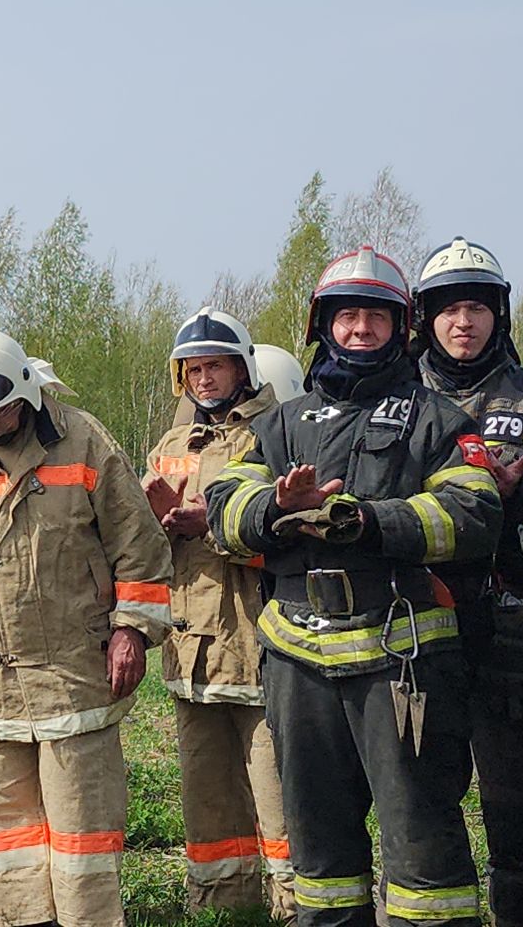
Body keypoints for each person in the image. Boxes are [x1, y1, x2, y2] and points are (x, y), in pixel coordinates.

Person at [207, 246, 502, 927]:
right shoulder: (278, 425)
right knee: (316, 845)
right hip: (298, 662)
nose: (360, 330)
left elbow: (474, 515)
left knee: (421, 839)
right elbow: (225, 508)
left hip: (403, 663)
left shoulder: (439, 421)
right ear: (323, 327)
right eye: (346, 317)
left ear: (402, 329)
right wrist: (276, 511)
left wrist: (365, 521)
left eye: (375, 316)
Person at [0, 323, 171, 927]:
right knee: (5, 844)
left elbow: (140, 548)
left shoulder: (83, 441)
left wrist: (132, 630)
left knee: (81, 840)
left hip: (74, 677)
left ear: (25, 395)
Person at [411, 237, 523, 926]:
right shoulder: (397, 398)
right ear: (425, 318)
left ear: (500, 315)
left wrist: (514, 497)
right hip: (421, 641)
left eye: (479, 307)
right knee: (423, 816)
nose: (465, 322)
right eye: (450, 308)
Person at [141, 308, 296, 917]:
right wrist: (155, 523)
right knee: (205, 799)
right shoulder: (171, 444)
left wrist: (214, 526)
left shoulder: (275, 434)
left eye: (216, 366)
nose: (204, 379)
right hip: (191, 652)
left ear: (243, 367)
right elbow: (138, 545)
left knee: (276, 794)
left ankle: (292, 906)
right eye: (194, 369)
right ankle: (221, 908)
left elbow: (292, 532)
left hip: (259, 648)